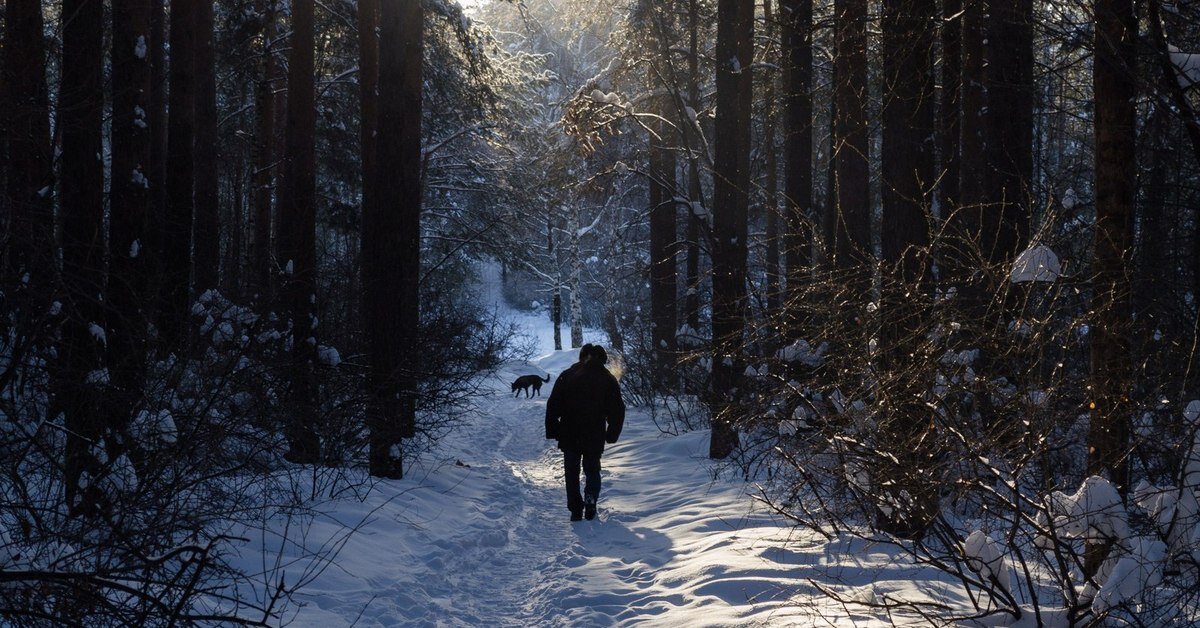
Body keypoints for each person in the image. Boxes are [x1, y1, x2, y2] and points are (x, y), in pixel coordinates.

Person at [545, 344, 625, 521]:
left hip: (569, 432)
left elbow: (553, 404)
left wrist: (554, 429)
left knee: (571, 471)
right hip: (594, 433)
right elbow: (617, 409)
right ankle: (591, 500)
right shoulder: (607, 379)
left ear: (582, 357)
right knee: (592, 468)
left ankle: (575, 508)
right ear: (602, 359)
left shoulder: (567, 376)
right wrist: (612, 433)